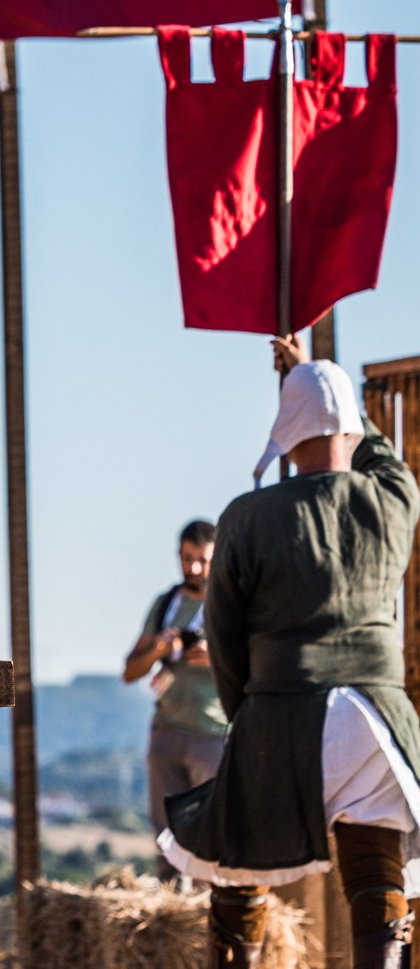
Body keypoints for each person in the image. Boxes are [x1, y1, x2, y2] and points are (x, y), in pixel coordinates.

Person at [164, 338, 420, 969]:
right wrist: (314, 378)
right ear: (353, 429)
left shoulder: (246, 516)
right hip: (376, 722)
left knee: (235, 873)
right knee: (376, 875)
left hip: (282, 714)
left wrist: (244, 718)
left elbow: (222, 634)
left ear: (284, 434)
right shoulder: (394, 499)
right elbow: (379, 454)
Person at [127, 518, 229, 868]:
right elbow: (130, 670)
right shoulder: (165, 604)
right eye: (187, 559)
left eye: (202, 559)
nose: (195, 568)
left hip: (213, 733)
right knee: (165, 838)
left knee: (210, 834)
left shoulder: (230, 602)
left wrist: (216, 657)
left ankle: (208, 911)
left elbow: (258, 662)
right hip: (167, 730)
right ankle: (171, 908)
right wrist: (158, 649)